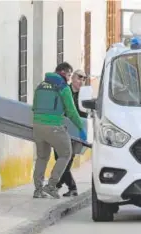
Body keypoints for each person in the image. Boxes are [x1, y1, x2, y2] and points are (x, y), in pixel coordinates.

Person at [32, 62, 87, 199]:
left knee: (42, 157)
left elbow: (34, 106)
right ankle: (51, 186)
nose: (69, 79)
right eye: (69, 75)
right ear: (63, 73)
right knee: (66, 154)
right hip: (54, 126)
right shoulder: (62, 88)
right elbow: (71, 111)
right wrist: (81, 127)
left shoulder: (40, 86)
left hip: (37, 126)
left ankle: (38, 190)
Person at [55, 69, 88, 197]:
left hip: (75, 134)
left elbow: (84, 115)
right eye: (79, 77)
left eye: (84, 79)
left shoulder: (83, 96)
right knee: (59, 159)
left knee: (66, 160)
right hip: (60, 130)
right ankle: (60, 186)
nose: (81, 81)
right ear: (73, 78)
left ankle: (61, 186)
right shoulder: (64, 91)